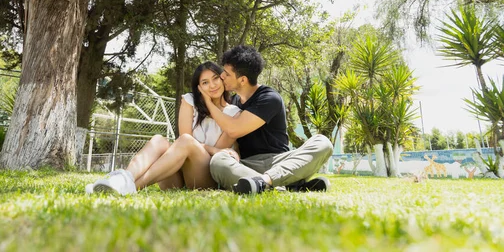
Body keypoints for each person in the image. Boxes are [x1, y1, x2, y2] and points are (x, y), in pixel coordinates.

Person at [85, 61, 241, 195]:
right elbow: (185, 138)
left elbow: (217, 155)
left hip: (205, 177)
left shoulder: (234, 114)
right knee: (159, 140)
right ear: (198, 87)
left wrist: (208, 104)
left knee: (186, 141)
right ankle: (123, 179)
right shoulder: (189, 101)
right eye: (205, 82)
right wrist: (205, 102)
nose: (212, 85)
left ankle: (129, 186)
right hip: (176, 176)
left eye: (215, 79)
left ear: (223, 79)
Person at [199, 45, 334, 194]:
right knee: (218, 162)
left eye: (227, 74)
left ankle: (266, 183)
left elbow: (234, 129)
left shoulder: (269, 98)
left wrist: (208, 103)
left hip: (280, 162)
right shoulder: (234, 103)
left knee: (323, 143)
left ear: (243, 80)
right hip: (248, 165)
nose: (222, 76)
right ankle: (289, 186)